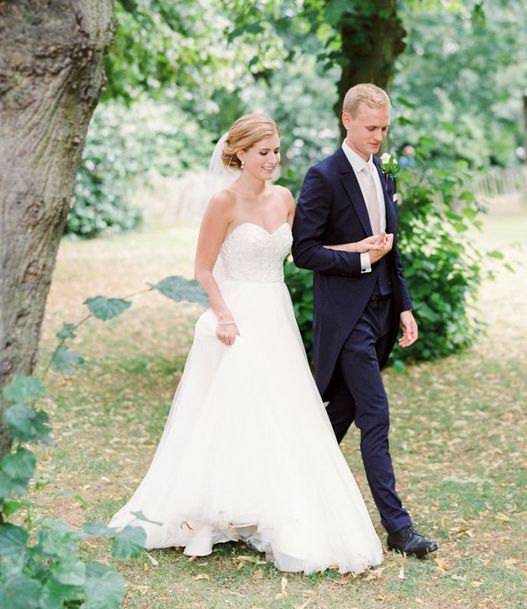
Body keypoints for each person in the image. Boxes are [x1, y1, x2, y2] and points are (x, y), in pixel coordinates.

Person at [109, 113, 383, 575]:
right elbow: (201, 268)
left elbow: (302, 254)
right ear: (239, 154)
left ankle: (265, 505)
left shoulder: (283, 198)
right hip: (236, 313)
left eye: (276, 151)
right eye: (263, 153)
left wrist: (357, 247)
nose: (272, 160)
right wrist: (223, 315)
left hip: (275, 313)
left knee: (279, 407)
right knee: (231, 408)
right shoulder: (223, 202)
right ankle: (207, 510)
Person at [292, 83, 439, 558]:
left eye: (385, 129)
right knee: (375, 413)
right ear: (347, 120)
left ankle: (291, 493)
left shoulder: (383, 172)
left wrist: (403, 305)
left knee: (340, 413)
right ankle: (399, 529)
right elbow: (305, 252)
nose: (379, 137)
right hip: (346, 314)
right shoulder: (324, 177)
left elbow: (392, 248)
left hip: (380, 311)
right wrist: (357, 261)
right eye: (372, 128)